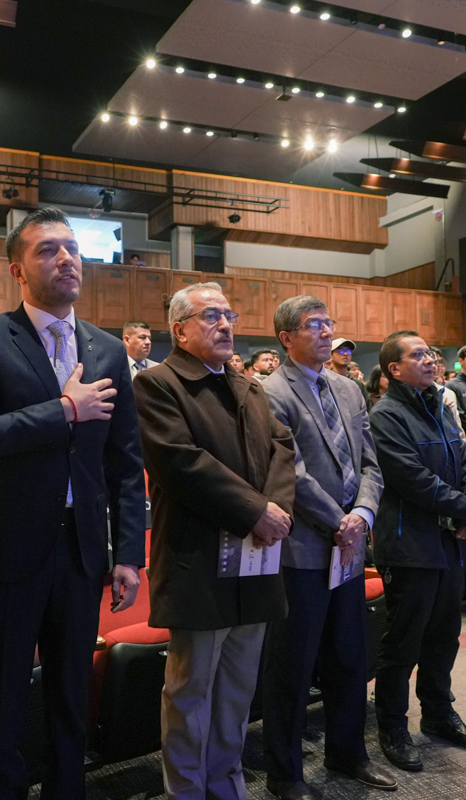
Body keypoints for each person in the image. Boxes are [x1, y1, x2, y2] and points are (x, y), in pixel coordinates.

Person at [0, 207, 147, 799]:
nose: (66, 259)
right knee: (3, 702)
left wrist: (127, 554)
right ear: (17, 269)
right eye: (47, 250)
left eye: (72, 248)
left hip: (81, 551)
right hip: (7, 548)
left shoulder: (107, 349)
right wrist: (64, 410)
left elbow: (125, 463)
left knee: (70, 697)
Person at [133, 282, 295, 800]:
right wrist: (256, 512)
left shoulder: (248, 386)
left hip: (255, 559)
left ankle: (227, 785)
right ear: (179, 330)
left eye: (228, 315)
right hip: (198, 560)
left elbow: (283, 448)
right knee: (191, 692)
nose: (225, 324)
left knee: (237, 692)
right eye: (210, 316)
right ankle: (185, 792)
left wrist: (276, 511)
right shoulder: (158, 384)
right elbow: (180, 463)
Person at [261, 297, 396, 798]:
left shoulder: (348, 387)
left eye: (328, 323)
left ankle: (348, 753)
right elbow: (289, 473)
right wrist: (339, 521)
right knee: (293, 665)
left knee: (349, 655)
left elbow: (369, 462)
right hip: (303, 547)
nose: (325, 332)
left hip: (350, 545)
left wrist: (362, 516)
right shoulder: (271, 391)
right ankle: (285, 772)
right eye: (312, 325)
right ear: (286, 338)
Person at [369, 330, 466, 773]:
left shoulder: (439, 404)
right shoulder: (386, 414)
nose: (429, 360)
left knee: (444, 635)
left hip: (449, 540)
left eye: (430, 354)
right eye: (417, 355)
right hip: (410, 543)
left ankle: (438, 713)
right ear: (394, 369)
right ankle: (392, 727)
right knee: (404, 641)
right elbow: (411, 478)